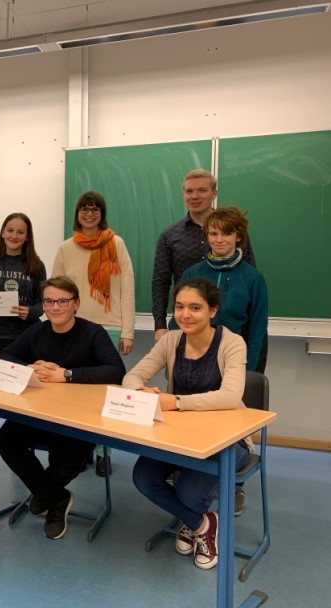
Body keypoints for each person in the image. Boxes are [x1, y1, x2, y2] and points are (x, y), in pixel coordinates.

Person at [125, 278, 252, 571]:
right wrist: (141, 391)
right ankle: (201, 524)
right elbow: (132, 376)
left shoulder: (232, 343)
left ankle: (190, 517)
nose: (185, 314)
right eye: (180, 307)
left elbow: (230, 396)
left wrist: (176, 402)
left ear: (213, 311)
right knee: (143, 477)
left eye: (195, 308)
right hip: (180, 437)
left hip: (228, 441)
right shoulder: (171, 340)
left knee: (189, 493)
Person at [0, 276, 126, 540]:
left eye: (62, 301)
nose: (55, 307)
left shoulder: (92, 333)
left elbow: (116, 371)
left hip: (79, 419)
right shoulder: (37, 331)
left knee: (67, 457)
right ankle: (56, 498)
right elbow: (5, 355)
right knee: (6, 440)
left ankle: (46, 495)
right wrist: (29, 367)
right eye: (49, 302)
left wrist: (66, 374)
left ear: (76, 304)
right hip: (40, 414)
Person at [52, 191, 135, 477]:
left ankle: (103, 453)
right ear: (77, 214)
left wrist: (127, 331)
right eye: (84, 209)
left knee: (104, 394)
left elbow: (127, 288)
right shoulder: (66, 248)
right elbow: (56, 289)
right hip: (72, 327)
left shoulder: (116, 243)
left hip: (108, 327)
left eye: (95, 209)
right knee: (74, 393)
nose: (89, 214)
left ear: (102, 213)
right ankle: (81, 450)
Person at [0, 213, 46, 471]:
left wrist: (32, 312)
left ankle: (21, 451)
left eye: (20, 232)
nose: (14, 236)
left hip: (25, 343)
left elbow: (42, 303)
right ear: (3, 233)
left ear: (27, 237)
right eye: (10, 230)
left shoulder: (36, 265)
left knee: (24, 401)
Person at [152, 169, 258, 343]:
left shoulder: (232, 231)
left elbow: (249, 278)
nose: (195, 196)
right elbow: (160, 282)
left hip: (230, 330)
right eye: (189, 191)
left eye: (202, 190)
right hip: (186, 327)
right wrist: (160, 325)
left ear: (214, 193)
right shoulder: (169, 235)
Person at [179, 206, 268, 373]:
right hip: (195, 358)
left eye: (226, 234)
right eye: (213, 234)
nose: (219, 240)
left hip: (234, 358)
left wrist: (248, 371)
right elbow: (180, 320)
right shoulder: (191, 274)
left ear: (238, 236)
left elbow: (258, 331)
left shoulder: (253, 278)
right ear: (207, 236)